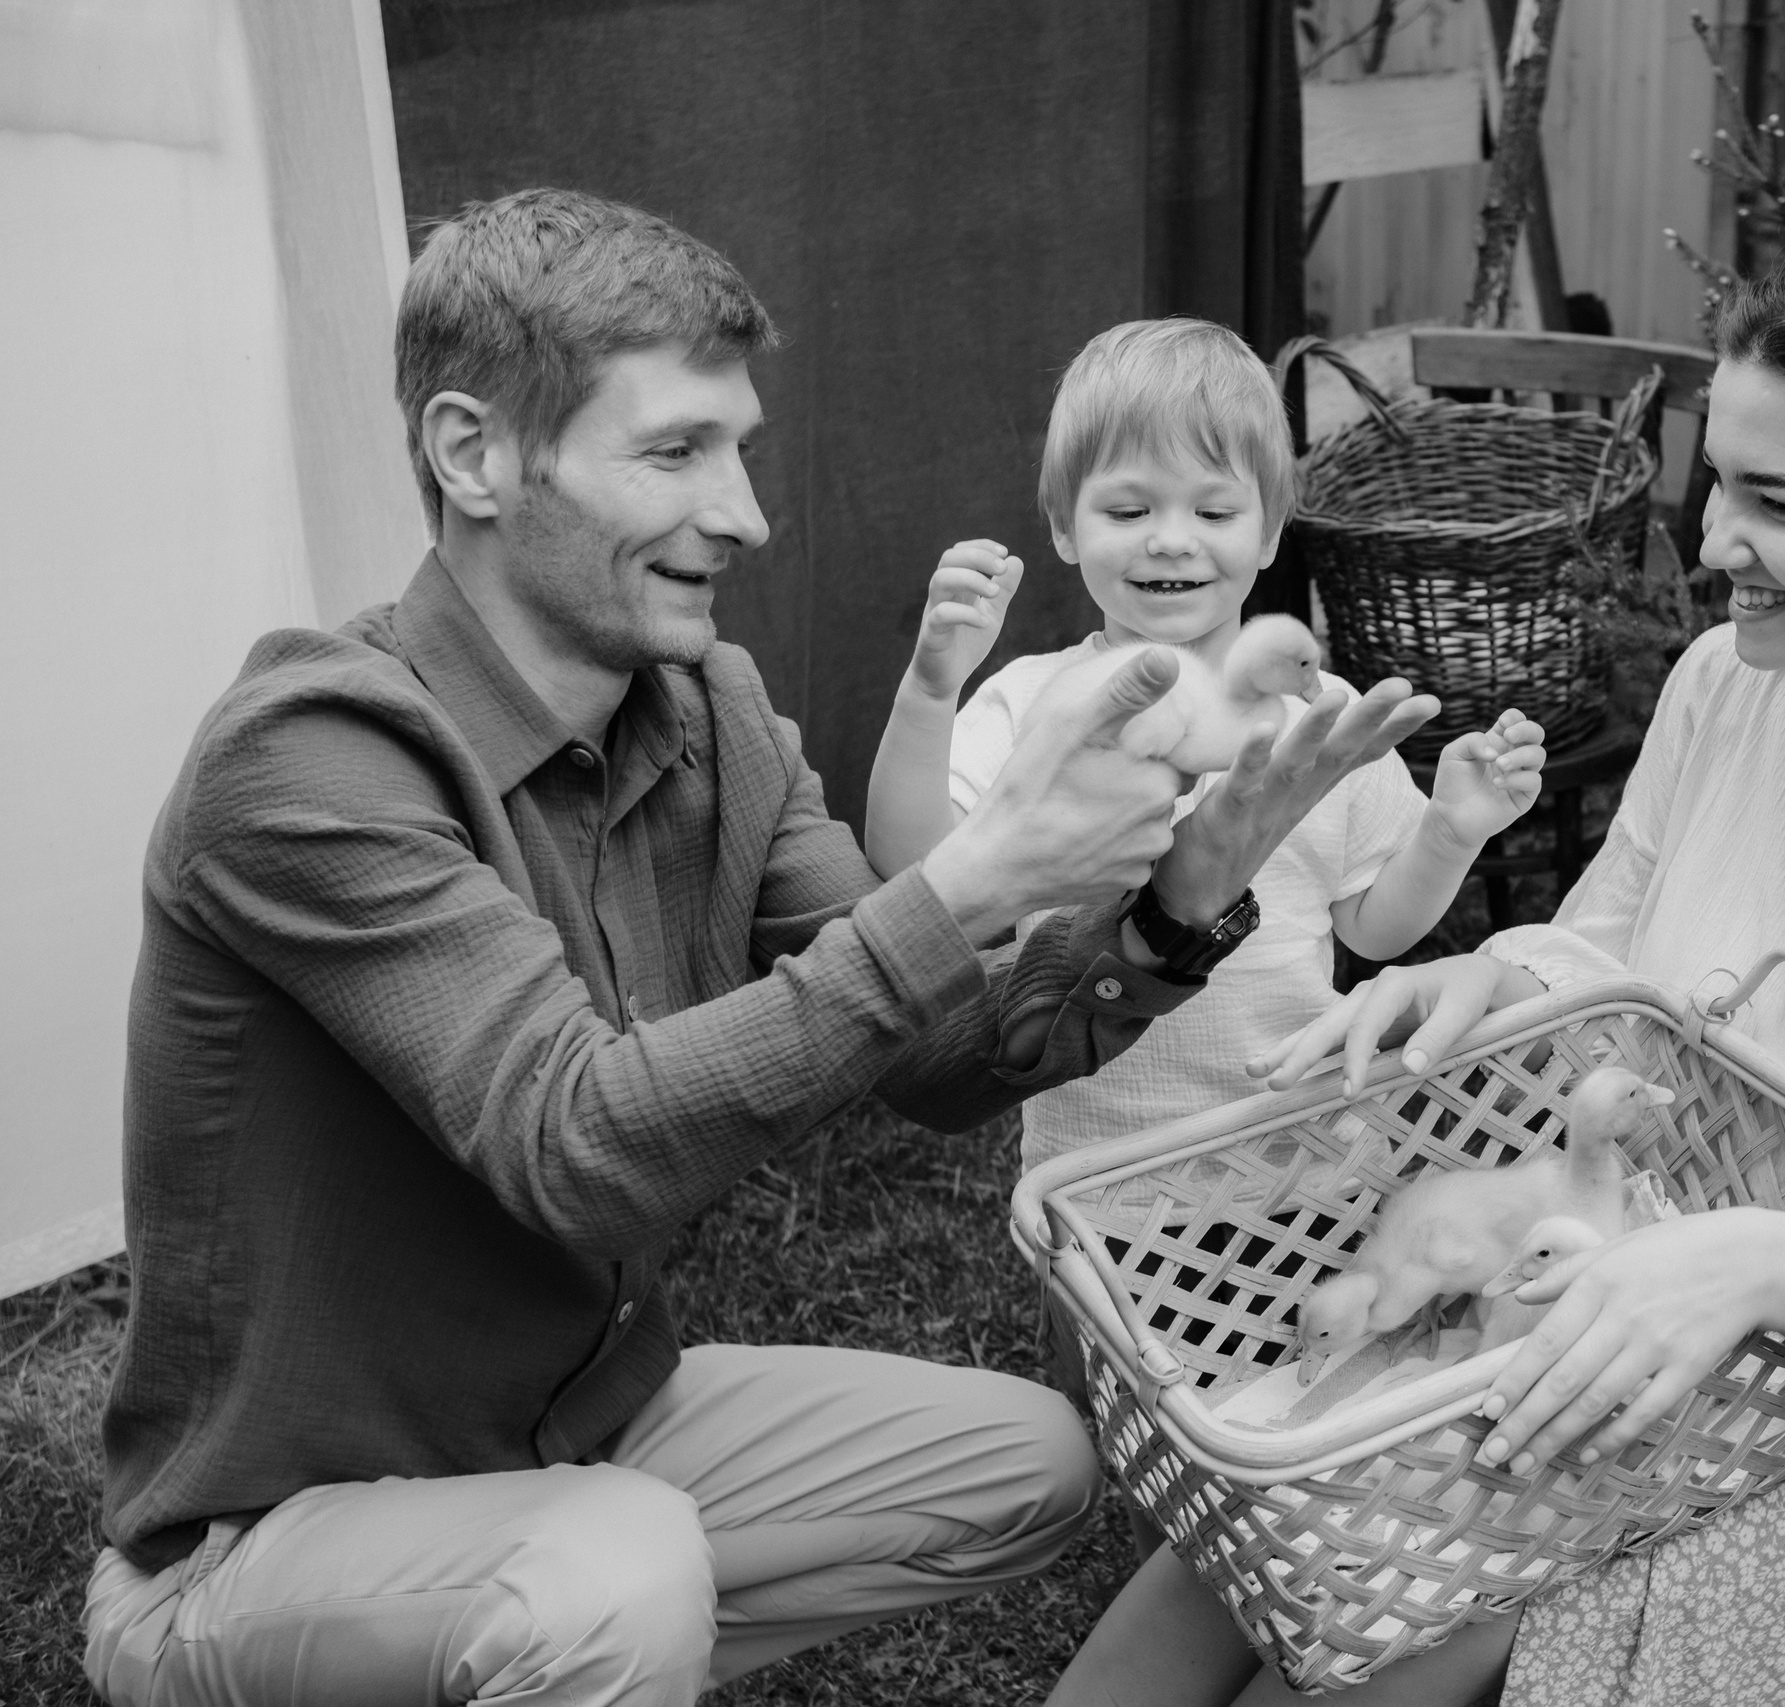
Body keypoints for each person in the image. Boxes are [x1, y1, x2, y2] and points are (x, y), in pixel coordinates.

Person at [82, 188, 1434, 1707]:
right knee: (614, 1572)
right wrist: (981, 872)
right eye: (673, 452)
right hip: (272, 1530)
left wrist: (1179, 903)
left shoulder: (712, 713)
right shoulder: (312, 752)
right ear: (473, 455)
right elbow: (577, 1141)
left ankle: (545, 1656)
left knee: (1025, 1465)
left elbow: (938, 1059)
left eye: (741, 450)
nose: (744, 514)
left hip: (587, 1437)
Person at [1044, 253, 1785, 1707]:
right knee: (1240, 1564)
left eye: (1780, 504)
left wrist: (1768, 1265)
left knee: (1381, 1635)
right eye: (1719, 483)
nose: (1717, 540)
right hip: (1635, 1296)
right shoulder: (1727, 689)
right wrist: (1485, 977)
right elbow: (1614, 948)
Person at [864, 317, 1547, 1175]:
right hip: (1103, 1174)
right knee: (1104, 1321)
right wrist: (931, 692)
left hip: (1305, 1153)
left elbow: (1373, 930)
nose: (1172, 536)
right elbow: (909, 866)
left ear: (1267, 533)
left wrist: (1449, 833)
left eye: (1214, 508)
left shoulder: (1319, 714)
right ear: (1065, 527)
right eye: (1129, 507)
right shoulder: (1035, 703)